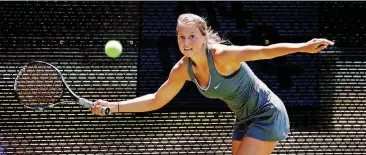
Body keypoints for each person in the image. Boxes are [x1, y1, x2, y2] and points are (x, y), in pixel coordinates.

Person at [91, 13, 334, 155]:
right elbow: (157, 99)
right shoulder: (181, 69)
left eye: (192, 36)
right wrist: (114, 106)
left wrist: (302, 47)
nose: (186, 42)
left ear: (204, 37)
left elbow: (263, 51)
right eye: (181, 37)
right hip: (244, 118)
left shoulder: (221, 55)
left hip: (266, 112)